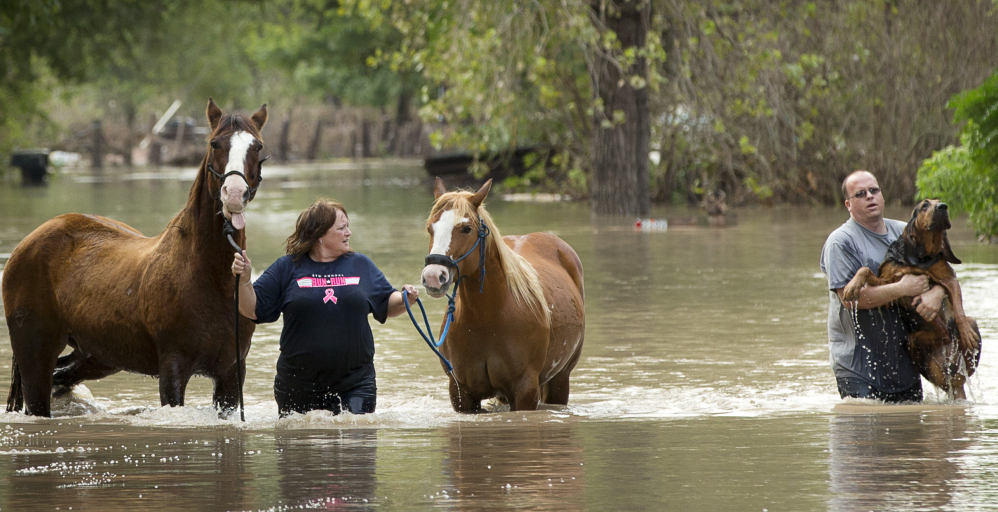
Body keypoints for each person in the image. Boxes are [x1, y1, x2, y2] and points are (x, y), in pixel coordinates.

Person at [231, 198, 419, 416]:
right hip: (297, 385)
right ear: (319, 235)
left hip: (355, 383)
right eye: (342, 228)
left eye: (348, 226)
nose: (348, 233)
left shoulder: (360, 265)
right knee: (302, 447)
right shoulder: (287, 268)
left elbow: (387, 303)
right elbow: (251, 309)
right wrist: (244, 280)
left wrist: (406, 298)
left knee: (356, 442)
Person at [819, 170, 947, 403]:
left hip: (904, 361)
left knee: (909, 435)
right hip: (857, 366)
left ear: (882, 196)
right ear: (848, 204)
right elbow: (850, 300)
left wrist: (937, 293)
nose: (870, 196)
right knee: (865, 435)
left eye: (874, 190)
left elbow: (945, 274)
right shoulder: (841, 242)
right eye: (860, 194)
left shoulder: (905, 231)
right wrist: (902, 288)